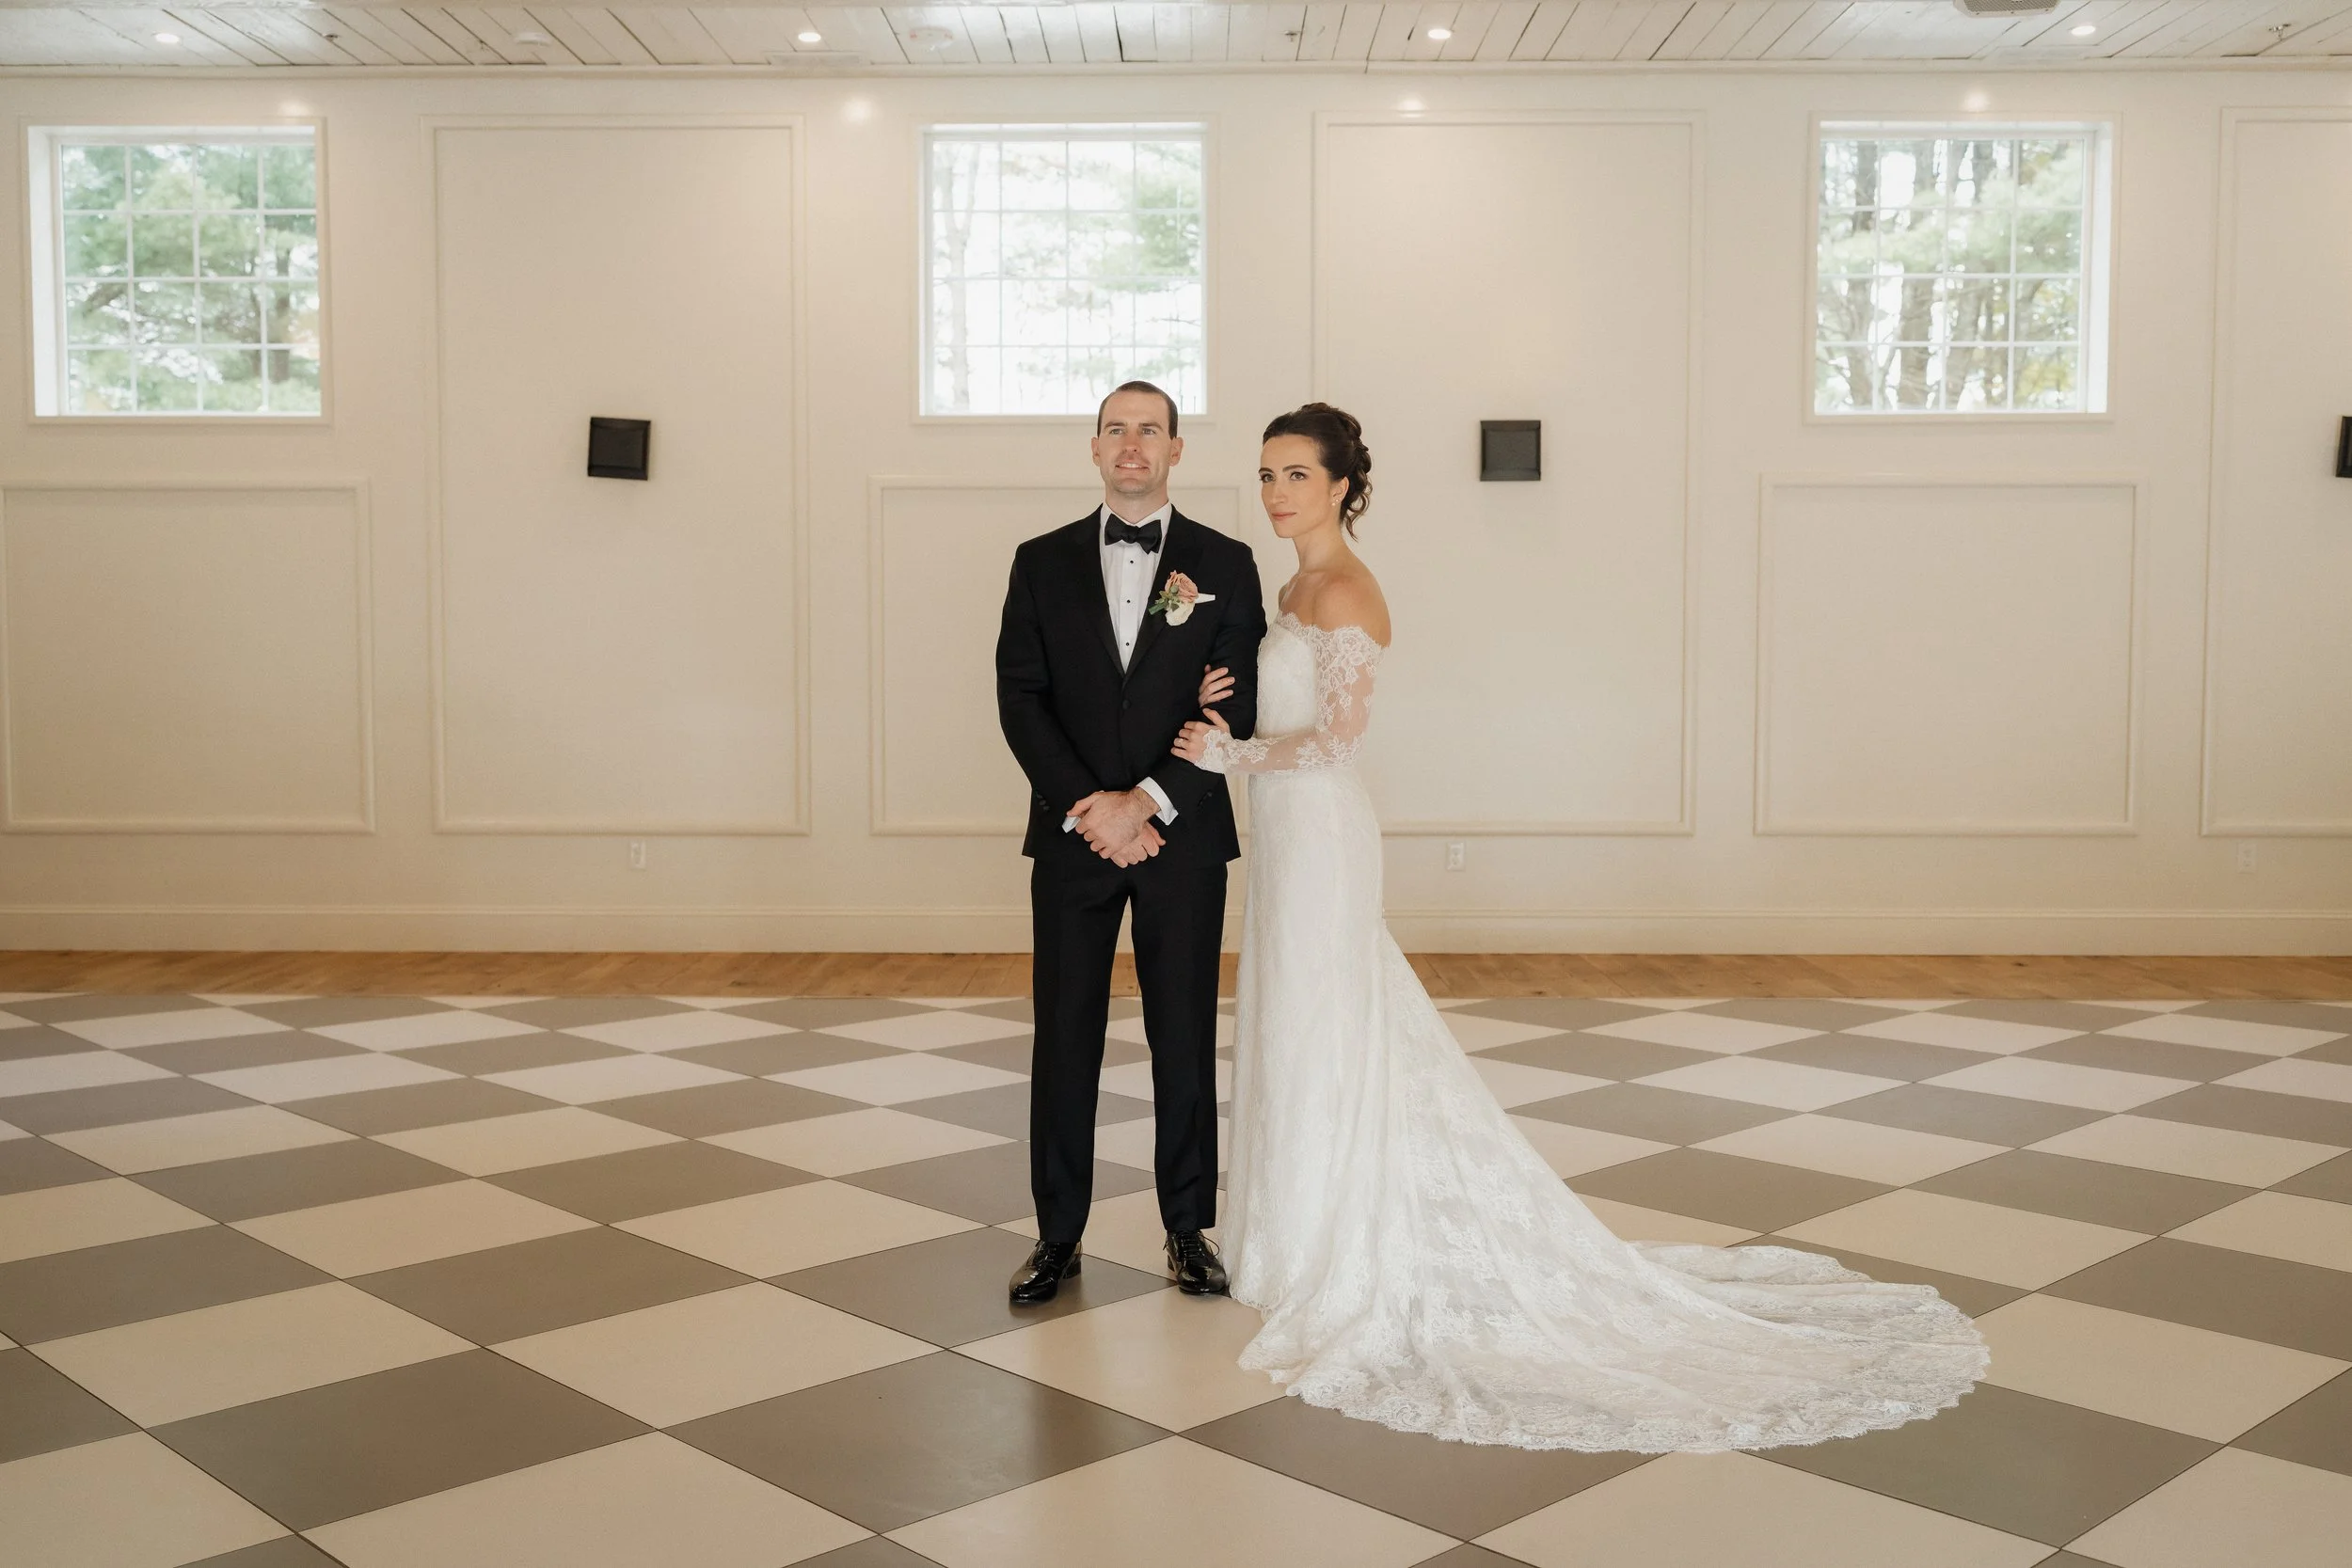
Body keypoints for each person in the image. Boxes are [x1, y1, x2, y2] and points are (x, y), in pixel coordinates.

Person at [1169, 403, 1988, 1451]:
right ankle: (1287, 1236)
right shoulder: (1286, 588)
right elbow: (1285, 713)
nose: (1277, 491)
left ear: (1341, 486)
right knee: (1292, 1024)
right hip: (1281, 836)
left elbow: (1334, 744)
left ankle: (1335, 1246)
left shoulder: (1348, 589)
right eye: (1268, 472)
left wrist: (1222, 757)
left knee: (1326, 1021)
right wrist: (1225, 705)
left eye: (1296, 474)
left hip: (1321, 830)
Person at [994, 380, 1267, 1305]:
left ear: (1176, 450)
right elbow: (1019, 697)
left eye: (1149, 429)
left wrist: (1148, 801)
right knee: (1062, 1035)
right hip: (1073, 837)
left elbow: (1236, 709)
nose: (1131, 444)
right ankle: (1056, 1234)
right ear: (1095, 445)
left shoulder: (1224, 561)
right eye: (1116, 429)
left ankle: (1187, 1228)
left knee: (1181, 1033)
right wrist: (1090, 805)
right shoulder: (1038, 562)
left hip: (1181, 839)